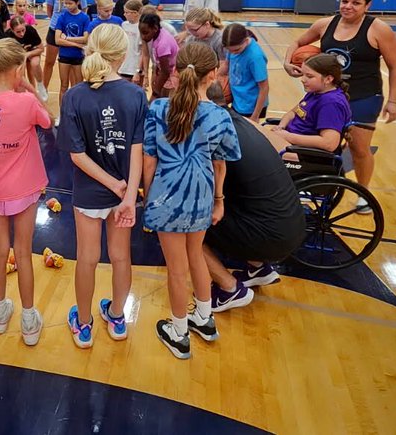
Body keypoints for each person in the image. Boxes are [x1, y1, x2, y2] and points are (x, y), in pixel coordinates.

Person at [142, 43, 241, 360]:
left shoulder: (158, 109)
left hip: (167, 198)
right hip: (201, 196)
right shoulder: (220, 116)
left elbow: (148, 161)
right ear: (212, 75)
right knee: (195, 254)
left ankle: (180, 332)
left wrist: (148, 197)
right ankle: (204, 318)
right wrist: (219, 201)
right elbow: (221, 164)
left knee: (175, 269)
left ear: (176, 70)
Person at [57, 25, 146, 348]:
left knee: (87, 258)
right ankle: (118, 318)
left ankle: (83, 325)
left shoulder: (75, 96)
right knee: (122, 257)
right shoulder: (136, 94)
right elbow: (137, 150)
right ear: (122, 55)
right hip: (123, 193)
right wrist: (128, 192)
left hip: (90, 193)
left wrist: (112, 184)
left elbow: (77, 155)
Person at [284, 0, 396, 210]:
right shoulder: (325, 24)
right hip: (327, 95)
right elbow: (298, 42)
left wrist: (393, 100)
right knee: (322, 143)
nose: (348, 6)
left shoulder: (379, 30)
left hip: (364, 96)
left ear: (367, 6)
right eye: (345, 1)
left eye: (356, 3)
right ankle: (324, 183)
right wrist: (288, 62)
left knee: (358, 147)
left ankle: (363, 192)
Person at [0, 39, 52, 346]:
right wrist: (29, 87)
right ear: (19, 69)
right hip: (25, 188)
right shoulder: (27, 102)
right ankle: (29, 320)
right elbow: (49, 120)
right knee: (24, 253)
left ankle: (0, 313)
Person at [203, 88, 306, 309]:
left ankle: (229, 288)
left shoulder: (216, 134)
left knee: (181, 224)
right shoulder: (243, 123)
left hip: (270, 236)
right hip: (292, 224)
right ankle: (258, 267)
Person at [270, 53, 352, 154]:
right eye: (303, 74)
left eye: (309, 76)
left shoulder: (331, 103)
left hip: (303, 152)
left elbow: (329, 143)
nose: (302, 79)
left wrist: (287, 136)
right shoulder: (315, 92)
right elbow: (293, 112)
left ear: (328, 79)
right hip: (289, 141)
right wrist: (281, 127)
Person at [42, 0, 86, 95]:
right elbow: (50, 12)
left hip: (72, 33)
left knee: (72, 66)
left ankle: (73, 93)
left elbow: (83, 12)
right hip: (55, 31)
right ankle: (43, 90)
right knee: (49, 62)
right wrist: (58, 24)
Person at [222, 23, 270, 122]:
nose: (233, 53)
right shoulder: (232, 47)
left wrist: (255, 115)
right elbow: (226, 65)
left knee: (247, 135)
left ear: (246, 40)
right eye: (230, 51)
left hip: (251, 105)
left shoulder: (255, 57)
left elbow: (264, 87)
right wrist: (216, 79)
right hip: (237, 99)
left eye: (236, 50)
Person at [53, 0, 90, 103]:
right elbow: (57, 40)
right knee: (64, 86)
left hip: (78, 57)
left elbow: (85, 39)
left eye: (70, 3)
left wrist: (67, 38)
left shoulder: (84, 18)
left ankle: (77, 112)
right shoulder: (62, 17)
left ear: (78, 2)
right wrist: (77, 45)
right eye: (66, 3)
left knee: (78, 87)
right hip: (64, 56)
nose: (67, 6)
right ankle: (63, 113)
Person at [6, 14, 47, 99]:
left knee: (35, 64)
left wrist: (27, 54)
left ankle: (40, 85)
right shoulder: (7, 36)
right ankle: (23, 94)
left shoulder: (31, 30)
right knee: (20, 72)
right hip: (17, 55)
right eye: (18, 32)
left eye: (23, 30)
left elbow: (41, 49)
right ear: (12, 30)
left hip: (32, 51)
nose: (22, 34)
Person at [139, 12, 178, 100]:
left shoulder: (163, 43)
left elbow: (165, 72)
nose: (143, 37)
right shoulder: (157, 34)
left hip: (173, 76)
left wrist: (155, 94)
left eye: (145, 33)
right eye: (141, 33)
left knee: (164, 103)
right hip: (165, 73)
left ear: (155, 28)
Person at [120, 0, 144, 84]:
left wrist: (138, 71)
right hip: (122, 68)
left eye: (127, 12)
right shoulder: (124, 25)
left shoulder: (142, 27)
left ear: (135, 13)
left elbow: (143, 52)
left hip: (134, 69)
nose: (124, 14)